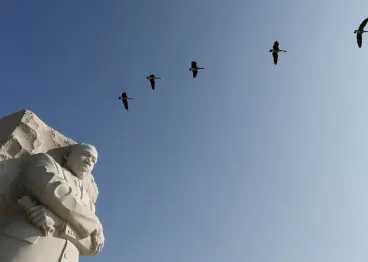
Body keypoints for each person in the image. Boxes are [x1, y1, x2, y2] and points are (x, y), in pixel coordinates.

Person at [0, 143, 105, 262]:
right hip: (27, 248)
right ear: (67, 155)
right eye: (85, 154)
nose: (89, 161)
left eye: (94, 160)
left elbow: (93, 246)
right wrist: (94, 222)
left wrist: (59, 223)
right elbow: (53, 189)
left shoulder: (89, 204)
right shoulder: (45, 162)